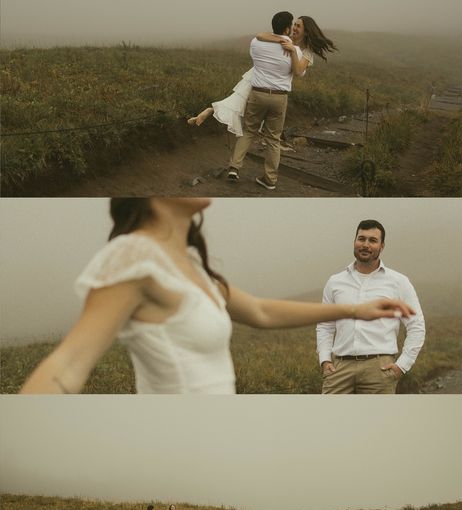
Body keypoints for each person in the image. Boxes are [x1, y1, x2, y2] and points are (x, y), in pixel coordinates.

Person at [20, 199, 415, 395]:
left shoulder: (190, 262)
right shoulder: (134, 256)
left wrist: (355, 310)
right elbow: (69, 363)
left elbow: (260, 310)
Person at [316, 220, 426, 394]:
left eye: (373, 241)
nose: (365, 245)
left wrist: (402, 366)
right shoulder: (335, 282)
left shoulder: (398, 282)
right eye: (361, 239)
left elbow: (416, 325)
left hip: (380, 370)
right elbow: (325, 325)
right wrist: (325, 360)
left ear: (382, 246)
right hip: (338, 369)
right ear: (354, 242)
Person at [187, 16, 336, 137]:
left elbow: (298, 70)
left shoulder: (306, 53)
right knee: (240, 102)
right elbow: (260, 35)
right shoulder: (285, 38)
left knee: (239, 102)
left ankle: (210, 111)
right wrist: (281, 40)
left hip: (269, 81)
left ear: (306, 32)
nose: (294, 28)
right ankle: (212, 112)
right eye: (294, 25)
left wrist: (292, 50)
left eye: (298, 26)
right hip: (260, 77)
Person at [227, 11, 303, 191]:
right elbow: (298, 72)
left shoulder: (256, 43)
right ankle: (270, 179)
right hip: (279, 97)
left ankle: (234, 168)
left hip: (258, 94)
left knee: (249, 131)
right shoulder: (294, 49)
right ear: (286, 28)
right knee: (273, 139)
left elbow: (260, 36)